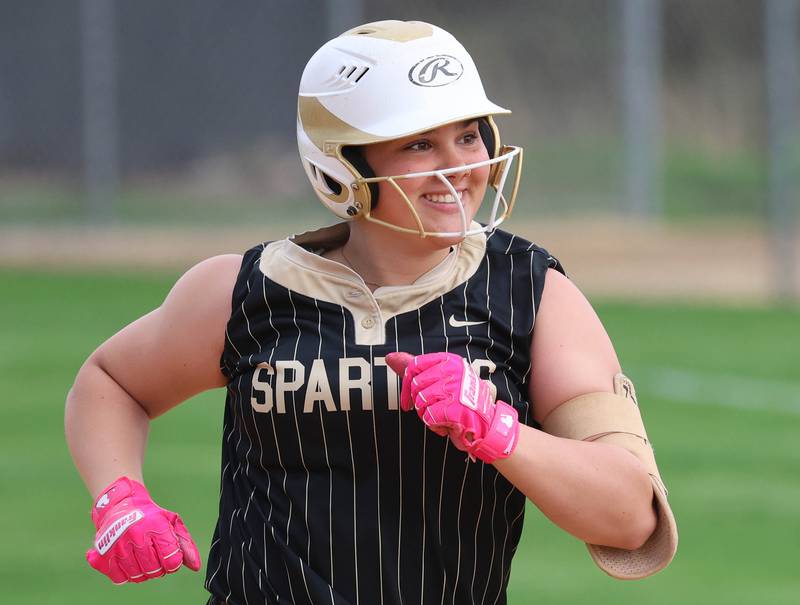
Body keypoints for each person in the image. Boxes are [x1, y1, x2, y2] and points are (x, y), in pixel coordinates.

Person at [66, 20, 677, 605]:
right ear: (343, 166)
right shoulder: (244, 290)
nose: (459, 167)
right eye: (418, 144)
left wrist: (502, 434)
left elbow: (629, 516)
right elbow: (114, 381)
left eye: (468, 135)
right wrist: (119, 497)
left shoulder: (532, 292)